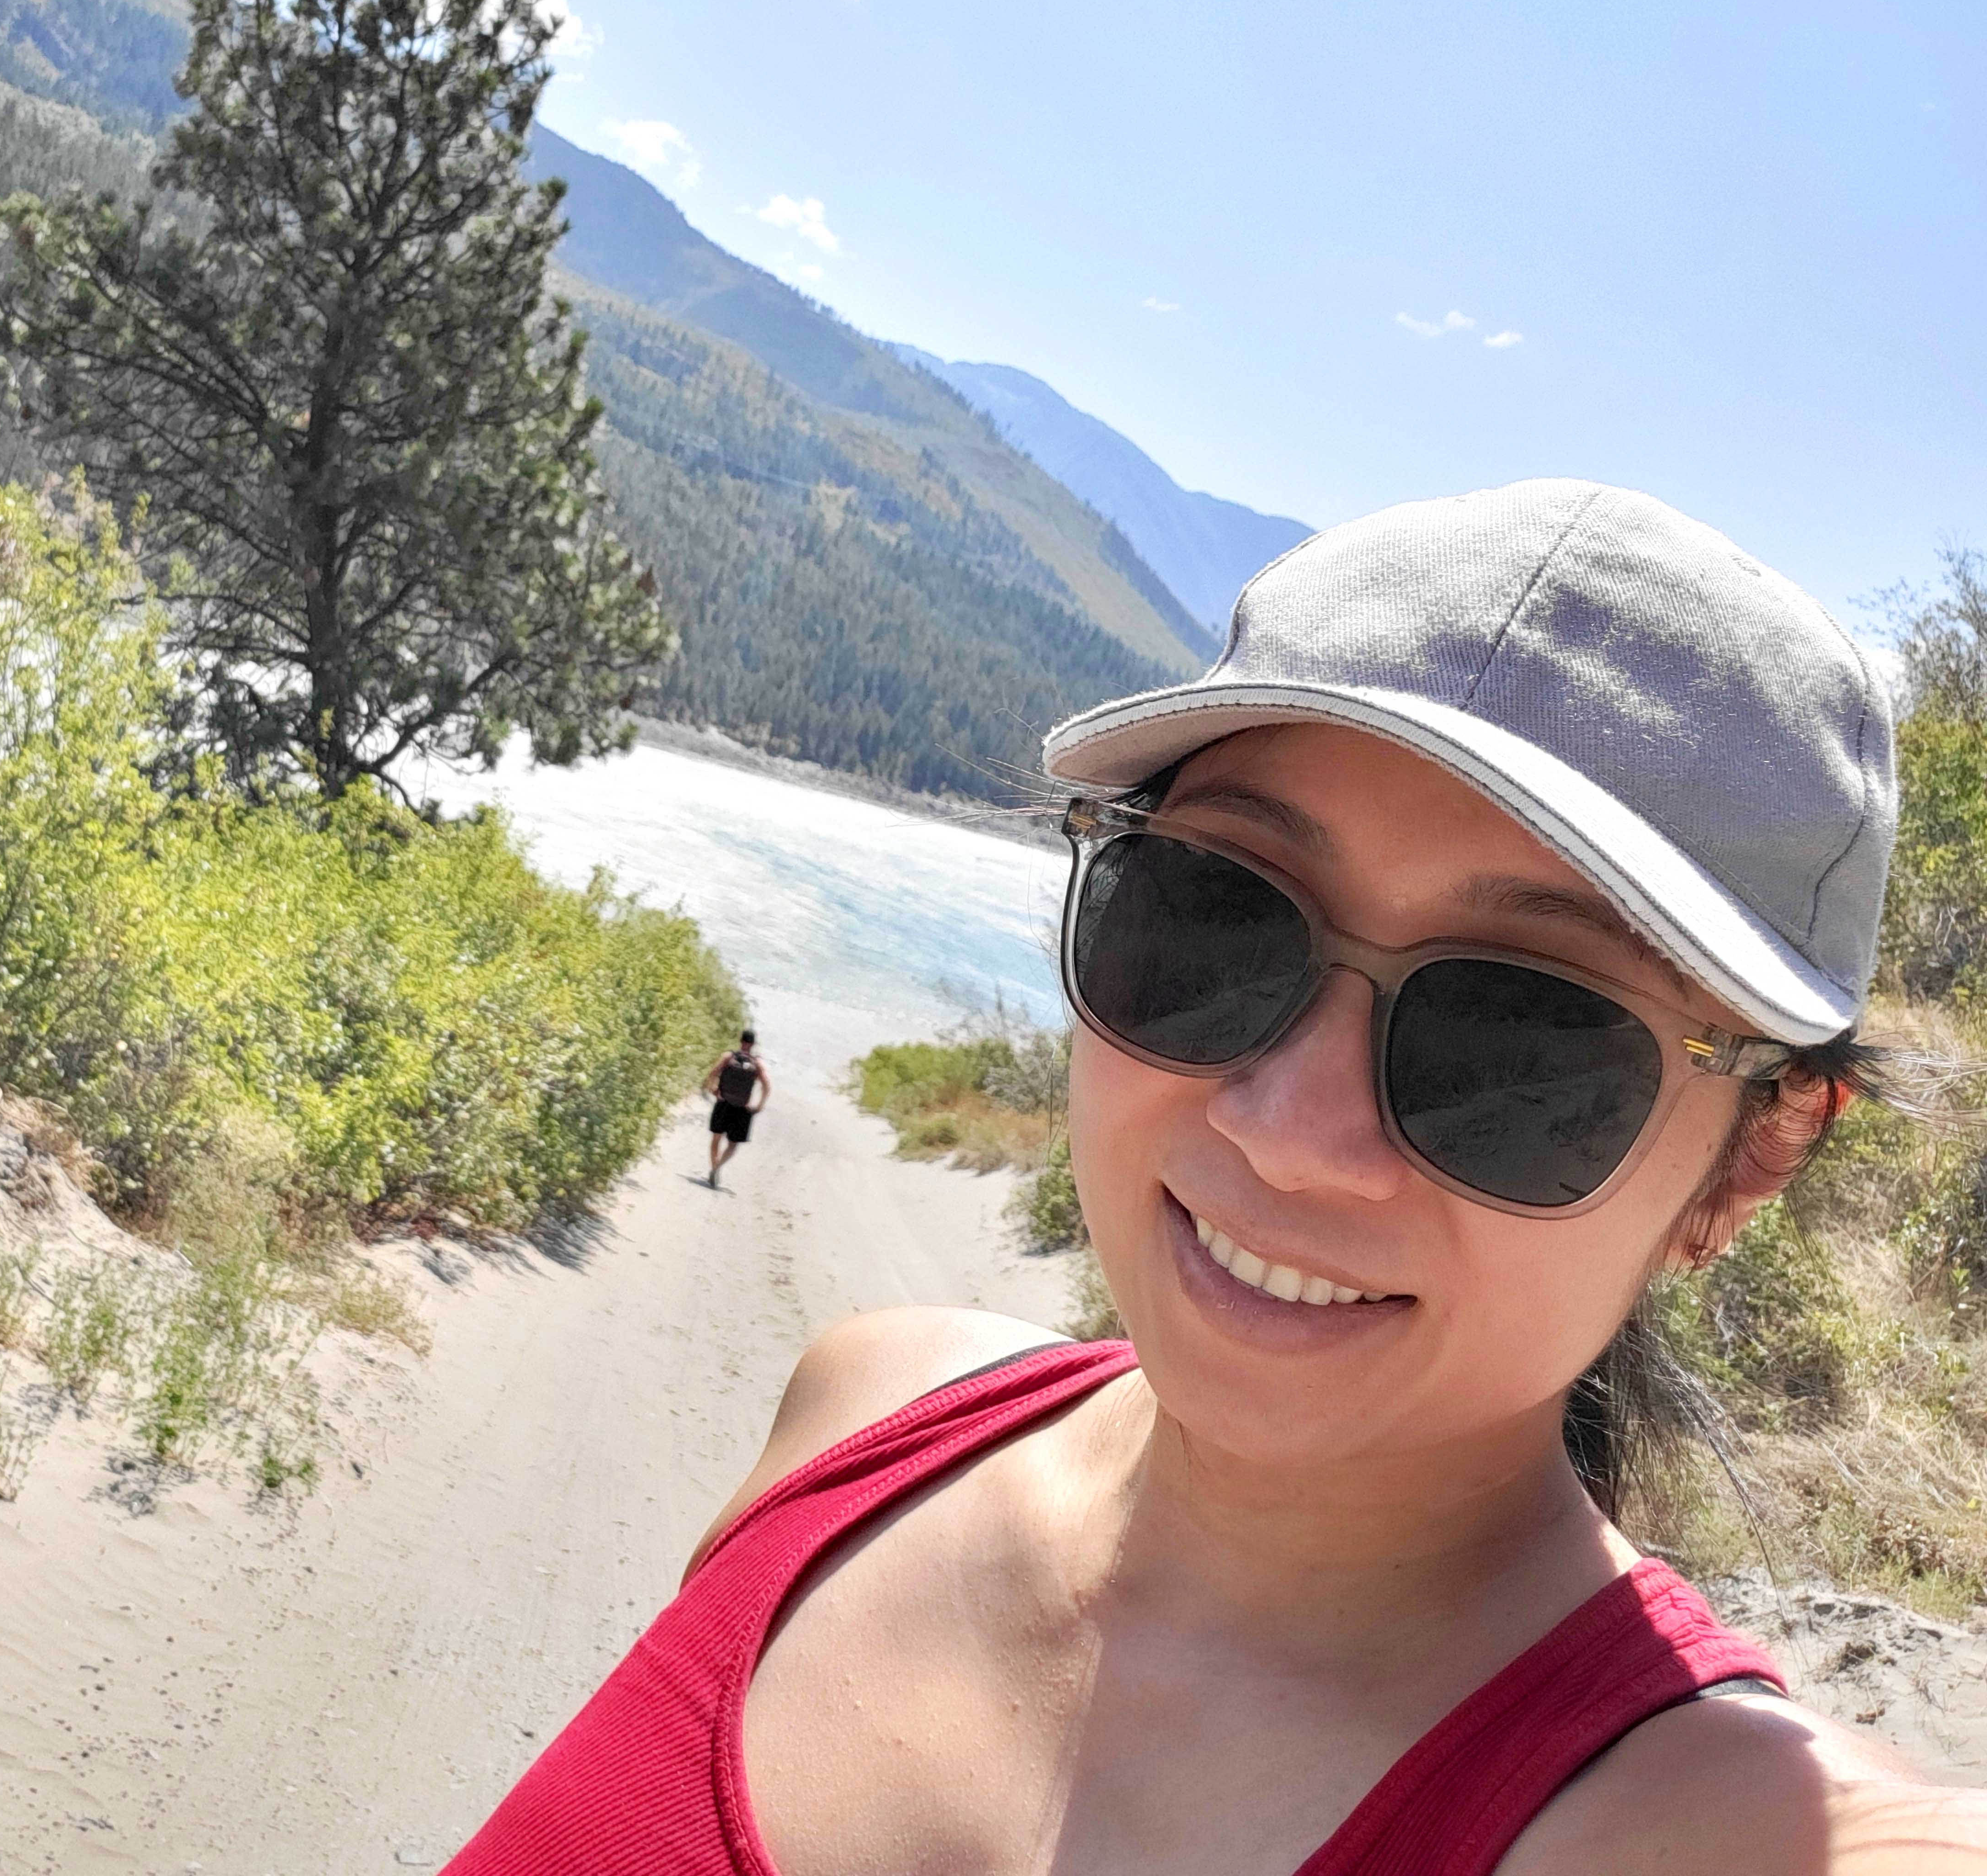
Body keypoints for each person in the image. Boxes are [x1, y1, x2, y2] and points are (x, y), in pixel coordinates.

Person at [449, 481, 1987, 1874]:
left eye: (1521, 1043)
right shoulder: (859, 1415)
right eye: (1210, 917)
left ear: (1756, 1153)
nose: (1283, 1124)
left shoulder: (1735, 1837)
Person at [704, 1030, 769, 1190]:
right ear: (753, 1044)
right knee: (733, 1145)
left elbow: (713, 1073)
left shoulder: (729, 1057)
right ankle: (718, 1167)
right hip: (742, 1109)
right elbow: (767, 1087)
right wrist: (759, 1106)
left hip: (724, 1102)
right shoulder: (757, 1064)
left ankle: (714, 1168)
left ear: (741, 1041)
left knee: (716, 1138)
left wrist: (713, 1089)